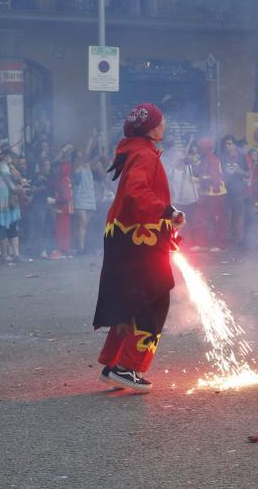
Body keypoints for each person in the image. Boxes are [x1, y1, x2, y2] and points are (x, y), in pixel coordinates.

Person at [93, 103, 186, 391]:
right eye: (160, 123)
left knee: (132, 301)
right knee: (155, 299)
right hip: (137, 240)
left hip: (132, 237)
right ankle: (128, 366)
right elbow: (137, 192)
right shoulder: (144, 154)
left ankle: (116, 363)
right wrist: (168, 213)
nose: (163, 126)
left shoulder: (134, 150)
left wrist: (165, 230)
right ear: (150, 128)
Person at [218, 135, 250, 246]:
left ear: (234, 145)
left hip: (239, 191)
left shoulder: (242, 157)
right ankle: (229, 238)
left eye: (229, 143)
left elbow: (250, 174)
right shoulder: (221, 158)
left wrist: (240, 172)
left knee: (239, 215)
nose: (227, 146)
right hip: (225, 191)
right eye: (225, 144)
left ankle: (239, 238)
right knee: (226, 215)